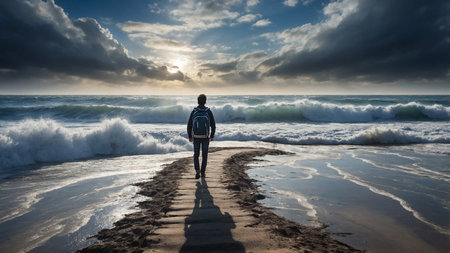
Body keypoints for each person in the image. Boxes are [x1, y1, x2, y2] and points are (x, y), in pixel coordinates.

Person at [187, 94, 216, 179]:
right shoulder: (208, 111)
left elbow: (189, 124)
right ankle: (203, 172)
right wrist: (212, 135)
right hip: (205, 136)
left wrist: (190, 136)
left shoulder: (194, 111)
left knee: (196, 154)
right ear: (205, 101)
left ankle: (197, 170)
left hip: (195, 136)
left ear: (197, 101)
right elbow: (213, 124)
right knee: (204, 155)